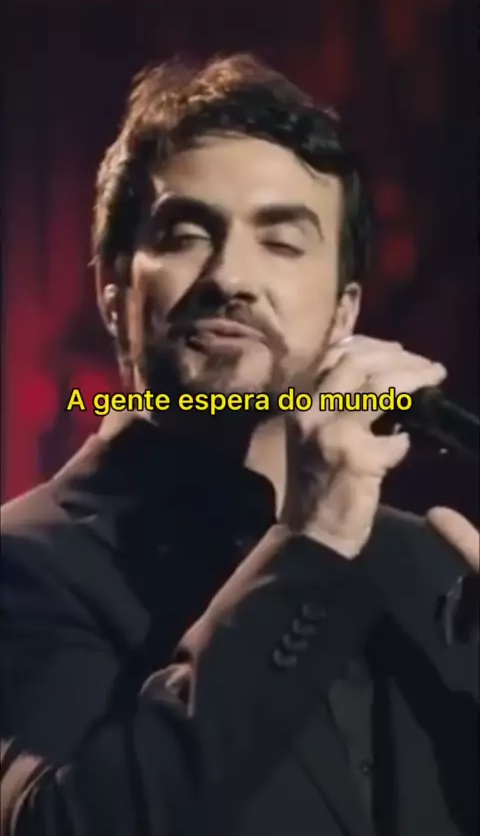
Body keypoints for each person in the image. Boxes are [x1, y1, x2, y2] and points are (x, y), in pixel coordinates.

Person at [1, 54, 478, 836]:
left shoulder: (430, 565)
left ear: (344, 312)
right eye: (187, 235)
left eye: (282, 243)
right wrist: (311, 541)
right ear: (113, 291)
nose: (230, 277)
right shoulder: (26, 563)